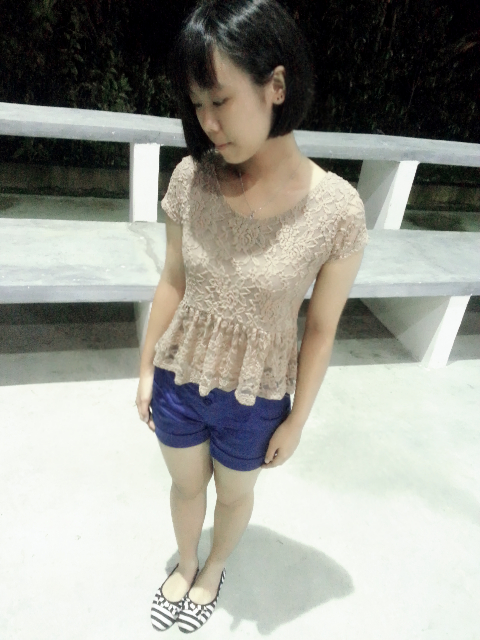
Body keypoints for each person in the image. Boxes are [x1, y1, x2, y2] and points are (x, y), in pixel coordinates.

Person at [135, 0, 369, 633]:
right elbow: (173, 280)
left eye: (220, 100)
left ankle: (214, 569)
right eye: (196, 105)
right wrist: (147, 367)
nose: (207, 123)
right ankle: (186, 561)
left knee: (235, 495)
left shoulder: (337, 211)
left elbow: (320, 328)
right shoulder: (191, 179)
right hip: (180, 379)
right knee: (186, 488)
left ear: (276, 85)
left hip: (256, 397)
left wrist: (297, 419)